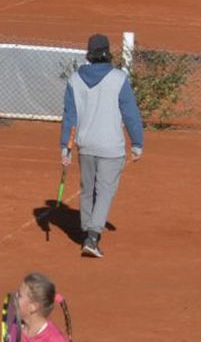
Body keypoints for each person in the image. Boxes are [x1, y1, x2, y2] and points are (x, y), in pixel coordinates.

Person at [60, 33, 143, 259]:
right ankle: (93, 237)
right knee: (105, 190)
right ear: (107, 53)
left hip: (85, 145)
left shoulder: (75, 80)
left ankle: (87, 228)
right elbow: (131, 113)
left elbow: (70, 115)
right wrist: (137, 142)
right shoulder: (119, 78)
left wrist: (65, 146)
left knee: (87, 189)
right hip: (111, 147)